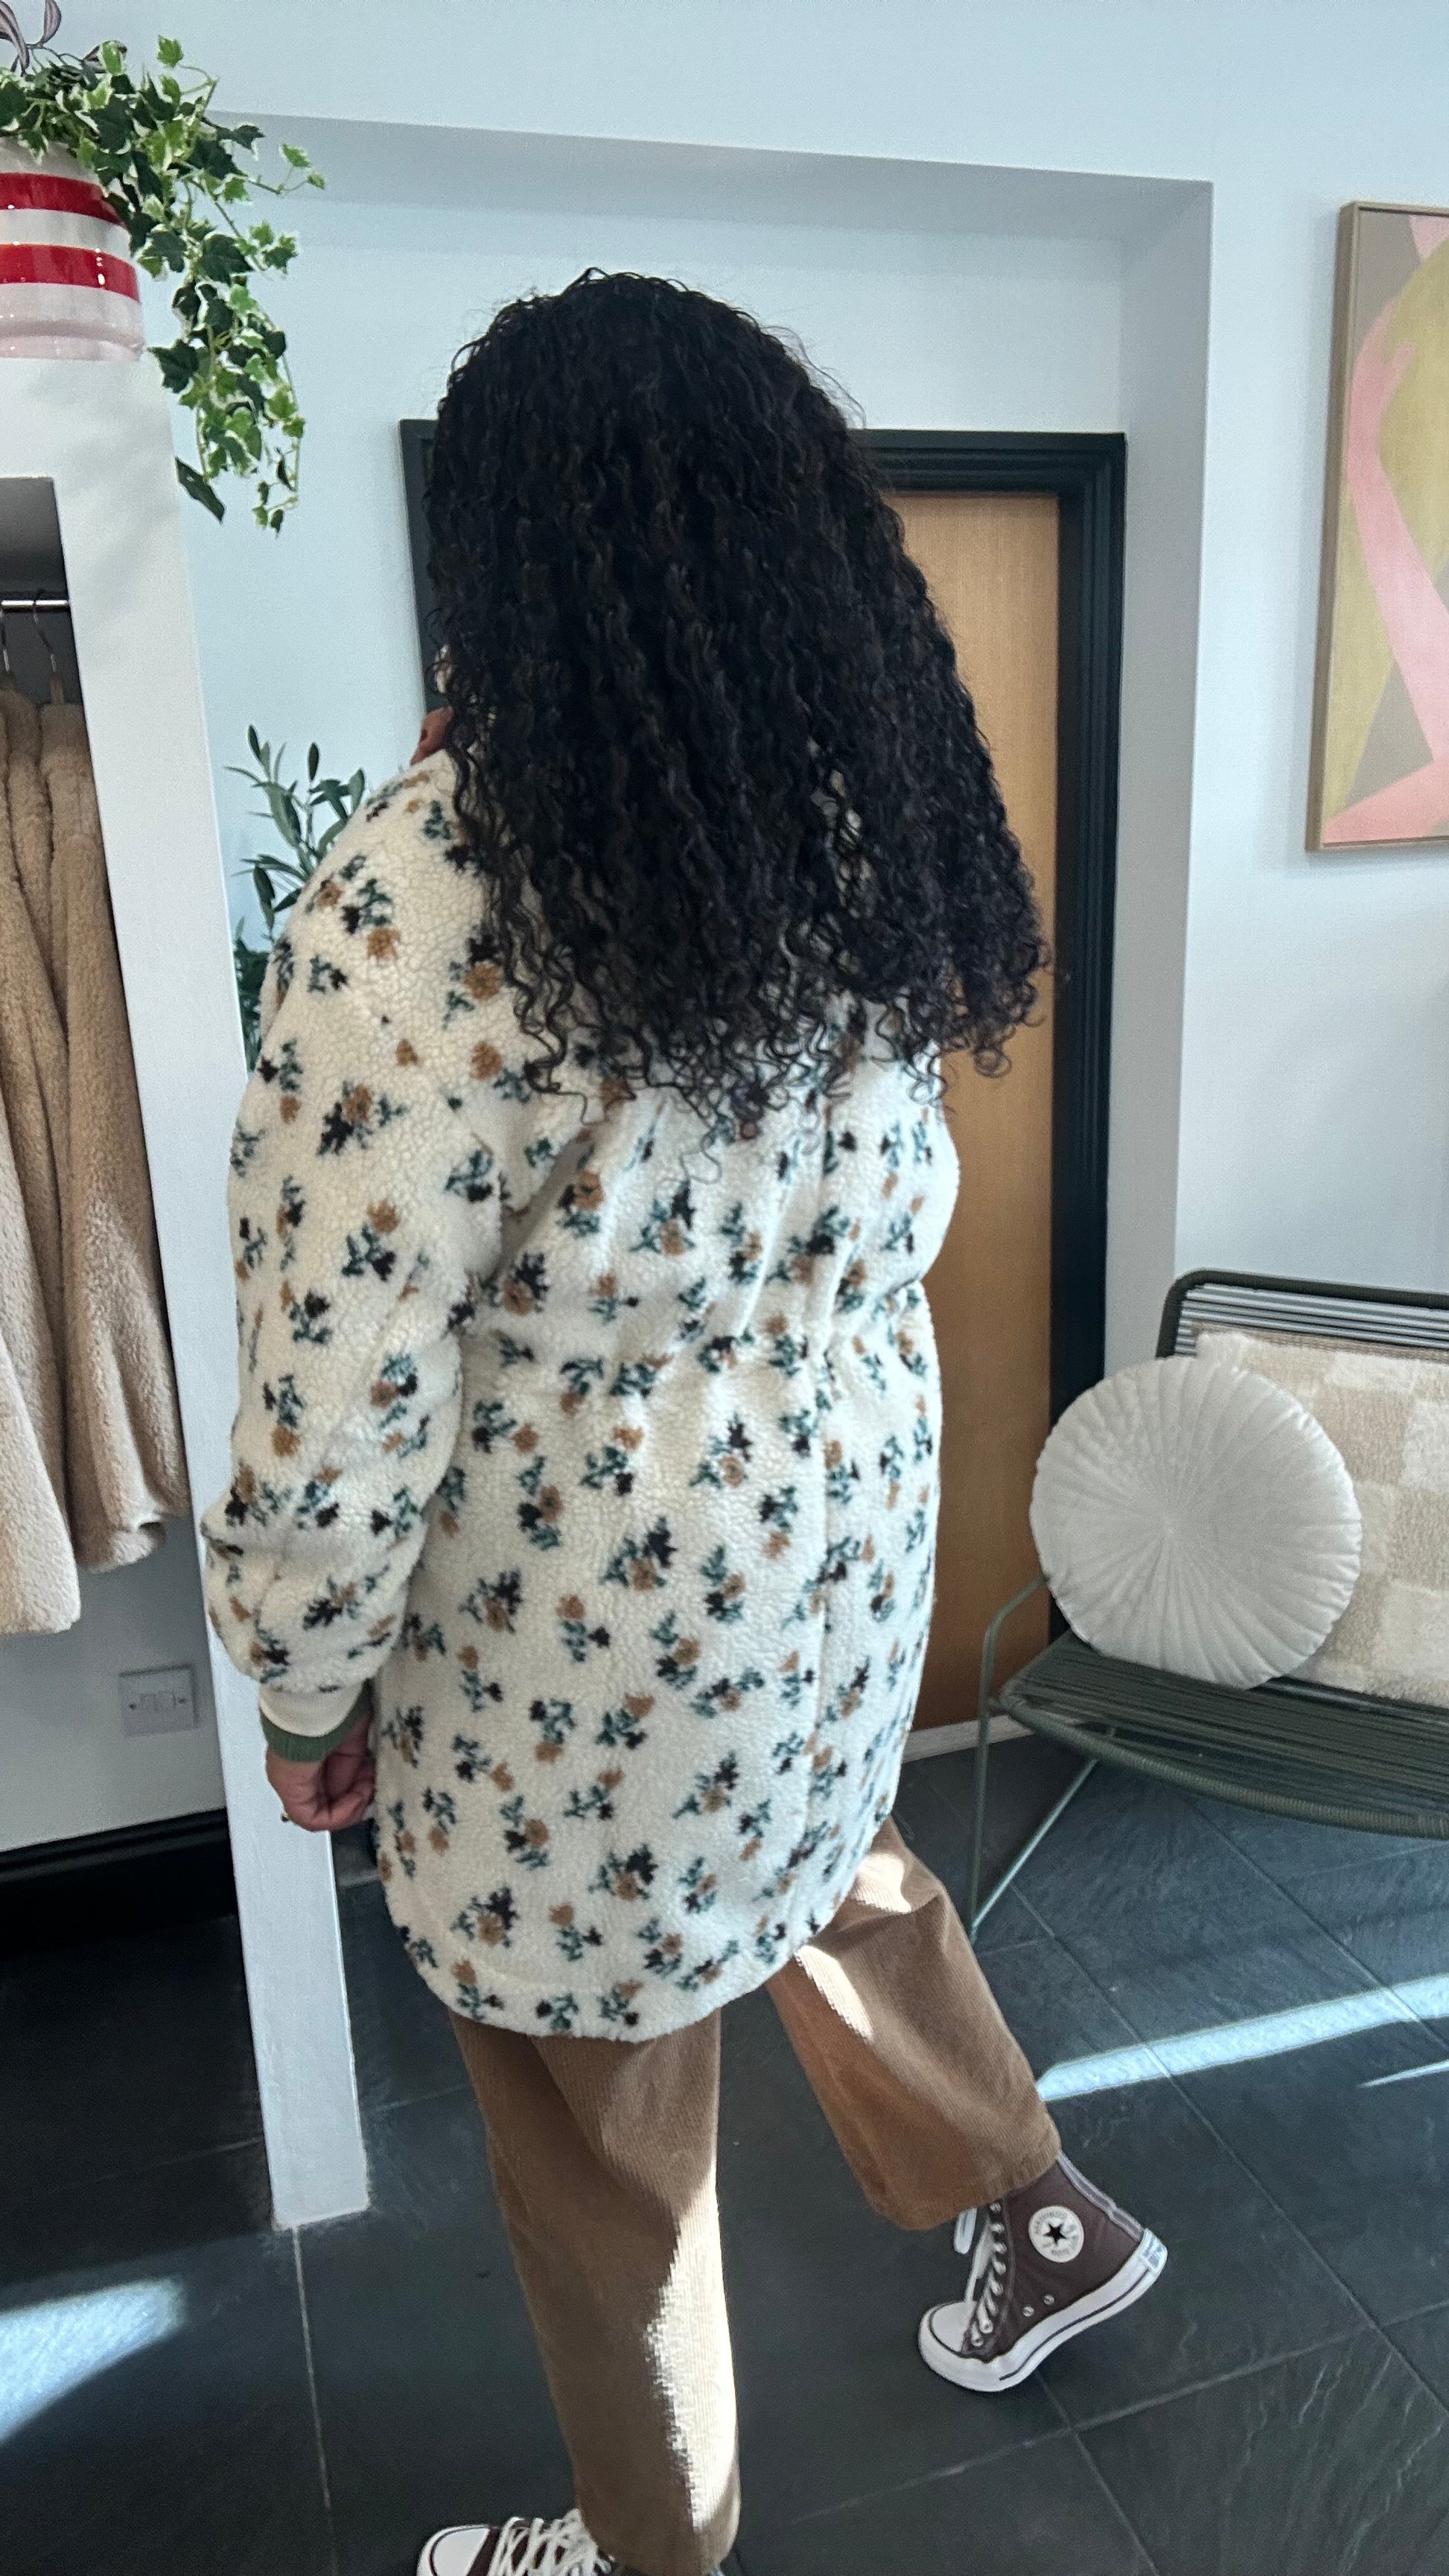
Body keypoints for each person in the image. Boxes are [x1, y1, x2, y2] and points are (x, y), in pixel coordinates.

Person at [203, 272, 1164, 2576]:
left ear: (498, 556)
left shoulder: (421, 895)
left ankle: (653, 2549)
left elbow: (342, 1386)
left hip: (584, 1649)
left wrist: (307, 1689)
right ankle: (1039, 2212)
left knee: (604, 2139)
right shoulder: (851, 818)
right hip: (835, 1553)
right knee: (834, 1866)